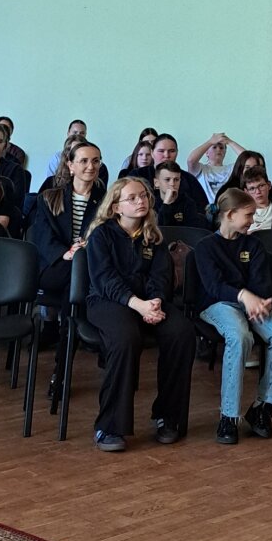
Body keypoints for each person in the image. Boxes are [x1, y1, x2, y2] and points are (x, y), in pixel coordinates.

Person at [83, 177, 196, 452]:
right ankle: (110, 426)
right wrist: (137, 304)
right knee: (125, 338)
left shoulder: (153, 237)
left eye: (143, 196)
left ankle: (167, 416)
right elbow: (105, 280)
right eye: (132, 198)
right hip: (108, 302)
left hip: (148, 303)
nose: (140, 201)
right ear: (116, 207)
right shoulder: (101, 235)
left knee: (181, 332)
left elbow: (161, 276)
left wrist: (155, 302)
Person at [196, 189, 272, 444]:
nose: (253, 220)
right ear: (230, 215)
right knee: (239, 336)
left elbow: (263, 282)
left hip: (254, 304)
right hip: (219, 304)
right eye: (249, 215)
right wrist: (244, 296)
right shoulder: (206, 247)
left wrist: (258, 302)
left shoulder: (253, 245)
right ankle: (229, 416)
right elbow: (214, 287)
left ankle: (263, 407)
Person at [33, 140, 107, 393]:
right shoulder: (49, 197)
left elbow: (108, 236)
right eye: (84, 161)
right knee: (75, 282)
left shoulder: (106, 201)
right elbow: (42, 237)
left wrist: (85, 249)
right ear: (70, 165)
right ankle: (87, 351)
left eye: (95, 161)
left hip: (88, 267)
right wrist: (67, 253)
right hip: (55, 266)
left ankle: (61, 371)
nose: (91, 166)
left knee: (74, 292)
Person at [150, 134, 209, 211]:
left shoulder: (189, 179)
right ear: (152, 152)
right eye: (161, 151)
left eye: (172, 151)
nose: (166, 155)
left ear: (177, 153)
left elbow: (203, 210)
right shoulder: (139, 175)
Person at [186, 132, 246, 203]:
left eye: (221, 148)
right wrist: (210, 142)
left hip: (229, 207)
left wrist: (230, 142)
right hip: (205, 208)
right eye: (214, 147)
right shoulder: (201, 169)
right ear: (206, 152)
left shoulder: (232, 168)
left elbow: (248, 159)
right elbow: (191, 161)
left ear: (225, 152)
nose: (218, 150)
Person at [152, 162, 210, 230]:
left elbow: (193, 230)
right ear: (156, 183)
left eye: (176, 180)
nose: (172, 183)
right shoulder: (151, 203)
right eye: (167, 180)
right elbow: (157, 229)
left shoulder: (188, 203)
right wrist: (166, 204)